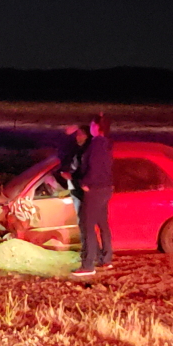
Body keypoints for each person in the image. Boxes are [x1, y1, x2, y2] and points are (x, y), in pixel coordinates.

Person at [72, 113, 112, 277]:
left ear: (96, 127)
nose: (90, 128)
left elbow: (94, 167)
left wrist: (85, 183)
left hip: (95, 189)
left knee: (87, 225)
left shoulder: (95, 145)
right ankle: (105, 259)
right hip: (106, 188)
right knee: (102, 223)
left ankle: (88, 265)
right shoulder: (107, 144)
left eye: (92, 125)